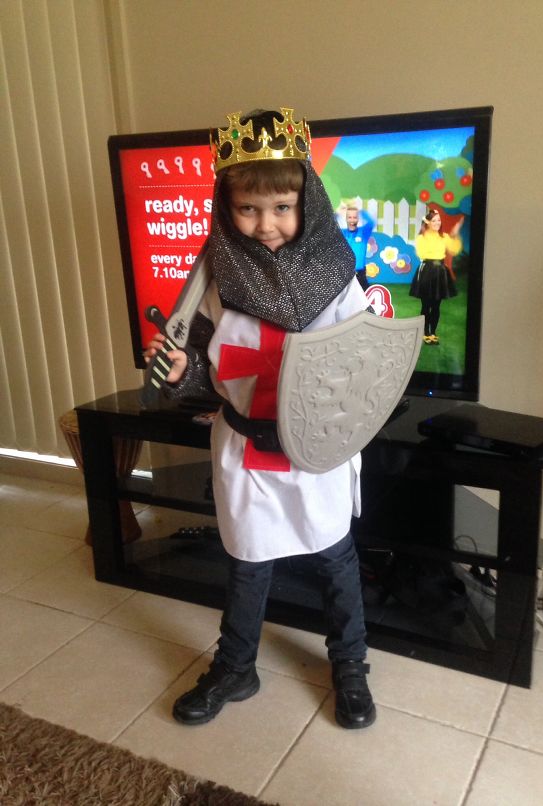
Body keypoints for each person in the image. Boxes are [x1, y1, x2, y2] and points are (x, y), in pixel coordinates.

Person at [145, 108, 376, 730]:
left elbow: (364, 363)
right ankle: (236, 667)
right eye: (248, 209)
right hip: (244, 449)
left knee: (335, 559)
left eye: (282, 207)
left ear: (308, 204)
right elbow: (204, 369)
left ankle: (350, 665)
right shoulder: (214, 280)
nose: (266, 224)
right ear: (226, 207)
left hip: (315, 449)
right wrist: (180, 372)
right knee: (248, 562)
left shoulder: (336, 278)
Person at [409, 208, 462, 344]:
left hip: (440, 272)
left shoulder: (444, 236)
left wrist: (455, 235)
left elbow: (454, 249)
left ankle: (433, 332)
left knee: (436, 305)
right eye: (434, 221)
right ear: (428, 222)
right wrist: (430, 235)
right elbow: (422, 253)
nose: (437, 223)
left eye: (439, 220)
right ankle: (425, 332)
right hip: (427, 270)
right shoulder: (422, 237)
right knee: (426, 304)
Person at [339, 204, 375, 290]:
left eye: (355, 217)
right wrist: (338, 213)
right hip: (346, 273)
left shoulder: (363, 232)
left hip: (360, 273)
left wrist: (361, 211)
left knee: (366, 295)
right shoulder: (342, 233)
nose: (352, 220)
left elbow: (371, 222)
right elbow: (330, 224)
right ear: (346, 219)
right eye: (349, 217)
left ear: (358, 219)